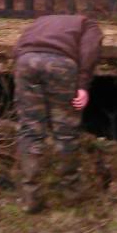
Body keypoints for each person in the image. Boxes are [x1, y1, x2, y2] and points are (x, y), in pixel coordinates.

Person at [13, 13, 103, 213]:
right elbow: (90, 51)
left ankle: (30, 197)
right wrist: (83, 85)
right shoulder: (89, 24)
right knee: (65, 130)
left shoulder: (39, 21)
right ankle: (72, 192)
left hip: (26, 62)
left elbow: (19, 47)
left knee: (30, 129)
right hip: (61, 64)